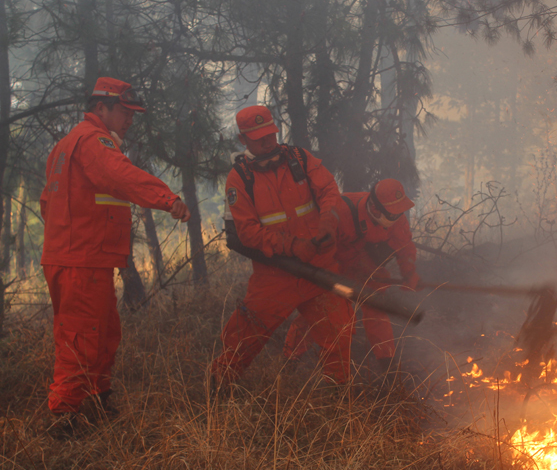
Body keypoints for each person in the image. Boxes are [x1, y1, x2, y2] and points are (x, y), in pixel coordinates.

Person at [40, 77, 191, 434]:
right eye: (124, 111)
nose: (131, 119)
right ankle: (64, 417)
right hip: (82, 259)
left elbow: (48, 202)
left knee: (103, 332)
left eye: (132, 113)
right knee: (81, 336)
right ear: (100, 108)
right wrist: (167, 199)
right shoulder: (94, 141)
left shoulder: (65, 144)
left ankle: (97, 397)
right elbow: (122, 176)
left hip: (80, 257)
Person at [211, 105, 354, 386]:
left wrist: (328, 218)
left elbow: (328, 190)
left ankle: (340, 399)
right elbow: (248, 233)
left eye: (270, 134)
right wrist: (292, 246)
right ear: (243, 140)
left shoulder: (299, 158)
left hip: (320, 269)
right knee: (244, 337)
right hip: (276, 277)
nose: (267, 141)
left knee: (338, 334)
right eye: (258, 137)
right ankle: (218, 388)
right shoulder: (239, 179)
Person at [283, 178, 418, 373]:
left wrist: (409, 272)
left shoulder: (395, 215)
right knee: (319, 311)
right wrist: (335, 279)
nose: (398, 216)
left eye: (400, 211)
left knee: (376, 307)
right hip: (331, 266)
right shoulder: (339, 211)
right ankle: (291, 360)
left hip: (365, 267)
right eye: (393, 213)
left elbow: (404, 246)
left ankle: (388, 367)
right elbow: (317, 248)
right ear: (375, 208)